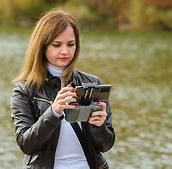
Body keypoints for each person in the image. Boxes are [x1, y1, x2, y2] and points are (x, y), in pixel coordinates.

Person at [11, 9, 115, 169]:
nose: (65, 51)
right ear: (42, 46)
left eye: (71, 44)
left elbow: (105, 145)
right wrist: (53, 112)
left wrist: (99, 126)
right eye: (57, 45)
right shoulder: (25, 90)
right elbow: (27, 145)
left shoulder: (93, 83)